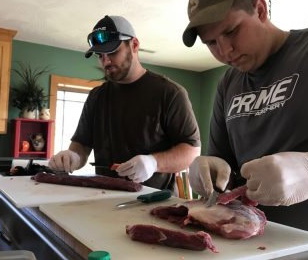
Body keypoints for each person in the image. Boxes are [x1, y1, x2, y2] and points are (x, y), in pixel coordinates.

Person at [183, 0, 308, 239]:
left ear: (260, 9)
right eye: (211, 42)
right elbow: (225, 168)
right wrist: (210, 170)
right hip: (252, 249)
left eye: (231, 31)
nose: (225, 51)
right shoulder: (228, 84)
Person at [49, 15, 201, 190]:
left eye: (113, 52)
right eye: (100, 55)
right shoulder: (96, 97)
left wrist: (153, 163)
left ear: (134, 45)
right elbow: (81, 145)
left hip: (153, 202)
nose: (105, 61)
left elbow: (191, 151)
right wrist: (72, 157)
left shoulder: (170, 93)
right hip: (103, 199)